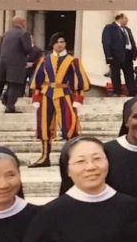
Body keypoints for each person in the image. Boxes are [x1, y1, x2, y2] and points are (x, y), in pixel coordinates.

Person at [28, 33, 90, 168]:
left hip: (65, 94)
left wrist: (78, 98)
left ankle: (74, 157)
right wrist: (36, 97)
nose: (60, 44)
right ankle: (45, 157)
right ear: (53, 44)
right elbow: (38, 80)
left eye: (62, 41)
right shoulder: (44, 60)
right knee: (44, 126)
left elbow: (79, 80)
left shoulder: (72, 60)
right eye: (57, 42)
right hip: (46, 94)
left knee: (69, 125)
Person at [0, 17, 33, 113]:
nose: (25, 23)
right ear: (21, 23)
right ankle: (10, 106)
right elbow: (27, 49)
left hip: (5, 63)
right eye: (24, 21)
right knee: (16, 85)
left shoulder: (6, 34)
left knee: (11, 84)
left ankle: (5, 97)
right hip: (17, 63)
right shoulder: (24, 33)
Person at [102, 13, 137, 96]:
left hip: (128, 54)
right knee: (116, 74)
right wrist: (108, 55)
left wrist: (135, 52)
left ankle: (132, 92)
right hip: (115, 55)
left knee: (130, 74)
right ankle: (117, 91)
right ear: (120, 18)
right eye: (126, 18)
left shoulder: (127, 29)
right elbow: (106, 42)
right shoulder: (110, 28)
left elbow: (132, 42)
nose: (127, 20)